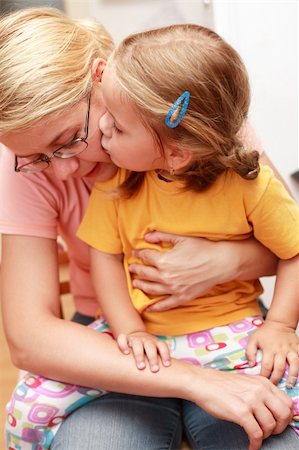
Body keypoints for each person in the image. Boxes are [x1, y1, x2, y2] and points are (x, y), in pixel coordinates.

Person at [0, 7, 295, 450]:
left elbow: (289, 240)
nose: (59, 172)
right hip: (116, 344)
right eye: (38, 157)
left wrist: (226, 261)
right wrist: (188, 377)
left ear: (103, 76)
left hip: (228, 330)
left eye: (68, 142)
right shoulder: (30, 169)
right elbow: (28, 336)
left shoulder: (194, 120)